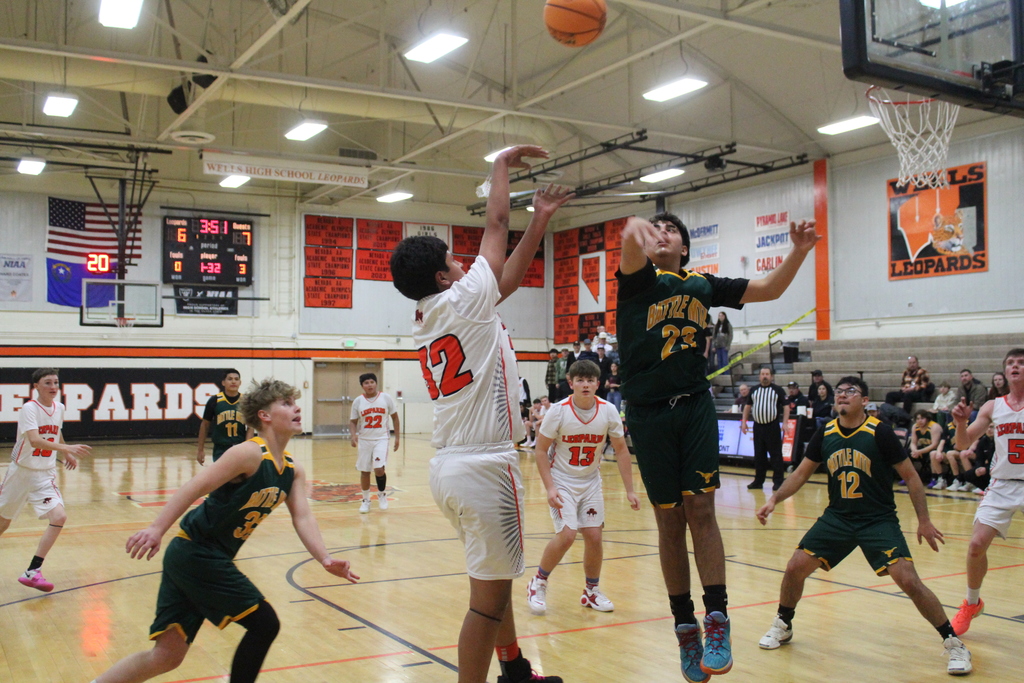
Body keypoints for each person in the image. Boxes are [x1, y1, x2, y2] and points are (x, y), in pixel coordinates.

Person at [389, 143, 572, 683]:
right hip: (485, 466)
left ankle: (514, 670)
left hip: (449, 465)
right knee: (485, 604)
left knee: (495, 579)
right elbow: (495, 226)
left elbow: (507, 279)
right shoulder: (463, 300)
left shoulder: (439, 310)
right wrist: (499, 164)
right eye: (453, 260)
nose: (462, 262)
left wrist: (539, 219)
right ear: (446, 278)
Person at [616, 211, 818, 681]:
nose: (660, 234)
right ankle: (684, 626)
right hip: (648, 414)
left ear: (685, 248)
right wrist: (631, 230)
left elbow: (768, 289)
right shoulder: (637, 280)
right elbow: (629, 248)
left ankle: (717, 619)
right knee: (669, 520)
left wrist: (800, 252)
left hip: (693, 406)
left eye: (671, 231)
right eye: (655, 230)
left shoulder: (704, 286)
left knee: (701, 511)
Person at [90, 378, 359, 683]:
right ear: (264, 416)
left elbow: (303, 518)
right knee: (265, 623)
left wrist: (324, 558)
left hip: (197, 557)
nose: (296, 407)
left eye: (295, 402)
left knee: (166, 656)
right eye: (286, 403)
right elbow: (195, 487)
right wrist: (156, 528)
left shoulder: (293, 470)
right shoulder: (248, 453)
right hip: (197, 552)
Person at [754, 376, 971, 676]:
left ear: (864, 401)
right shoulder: (825, 432)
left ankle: (953, 642)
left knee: (909, 581)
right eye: (839, 392)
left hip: (877, 519)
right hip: (838, 518)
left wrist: (924, 520)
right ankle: (783, 623)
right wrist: (774, 499)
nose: (842, 396)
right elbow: (801, 473)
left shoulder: (879, 432)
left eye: (850, 392)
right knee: (794, 568)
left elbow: (911, 477)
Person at [525, 360, 640, 616]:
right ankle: (538, 582)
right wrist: (549, 487)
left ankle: (591, 591)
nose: (585, 384)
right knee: (567, 534)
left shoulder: (609, 410)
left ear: (598, 384)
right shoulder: (558, 411)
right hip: (562, 480)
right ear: (571, 383)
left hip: (590, 481)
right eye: (580, 380)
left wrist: (630, 490)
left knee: (595, 536)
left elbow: (621, 451)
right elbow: (541, 450)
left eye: (590, 380)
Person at [949, 348, 1024, 637]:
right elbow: (962, 443)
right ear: (1005, 372)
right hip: (1003, 484)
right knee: (976, 546)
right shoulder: (993, 406)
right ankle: (971, 602)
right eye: (1010, 363)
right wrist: (960, 423)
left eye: (1020, 363)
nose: (1015, 367)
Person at [0, 368, 91, 592]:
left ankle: (33, 571)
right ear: (37, 386)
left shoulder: (59, 407)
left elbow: (55, 431)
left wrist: (65, 452)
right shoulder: (29, 408)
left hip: (45, 474)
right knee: (3, 522)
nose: (53, 387)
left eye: (56, 382)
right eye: (48, 382)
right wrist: (66, 447)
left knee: (59, 516)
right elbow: (35, 440)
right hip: (20, 472)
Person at [349, 372, 400, 514]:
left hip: (381, 439)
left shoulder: (386, 398)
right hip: (364, 440)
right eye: (366, 383)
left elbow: (395, 418)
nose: (369, 385)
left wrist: (397, 437)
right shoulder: (358, 401)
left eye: (372, 382)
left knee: (379, 469)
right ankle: (366, 500)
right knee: (365, 471)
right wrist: (353, 436)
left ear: (376, 383)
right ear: (362, 386)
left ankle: (382, 494)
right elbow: (353, 421)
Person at [742, 366, 790, 491]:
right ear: (759, 376)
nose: (764, 376)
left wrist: (785, 423)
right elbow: (747, 406)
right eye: (762, 374)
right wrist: (744, 422)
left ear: (771, 376)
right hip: (758, 426)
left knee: (776, 456)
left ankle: (778, 482)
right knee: (759, 456)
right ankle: (758, 481)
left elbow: (786, 407)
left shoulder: (778, 390)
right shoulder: (754, 390)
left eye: (767, 374)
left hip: (772, 426)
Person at [196, 369, 252, 464]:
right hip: (221, 448)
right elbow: (205, 425)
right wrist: (200, 450)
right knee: (223, 477)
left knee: (240, 477)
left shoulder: (246, 401)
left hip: (240, 446)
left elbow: (250, 427)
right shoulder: (215, 400)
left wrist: (248, 447)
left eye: (236, 379)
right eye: (230, 379)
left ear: (240, 382)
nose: (233, 381)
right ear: (223, 382)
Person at [957, 423, 994, 495]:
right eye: (988, 427)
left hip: (994, 468)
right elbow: (979, 459)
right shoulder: (983, 441)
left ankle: (991, 488)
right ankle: (984, 488)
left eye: (992, 427)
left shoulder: (999, 442)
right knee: (968, 474)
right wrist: (979, 468)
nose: (989, 430)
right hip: (985, 467)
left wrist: (986, 469)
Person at [910, 410, 943, 488]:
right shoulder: (915, 426)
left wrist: (919, 451)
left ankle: (934, 478)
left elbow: (934, 445)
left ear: (927, 418)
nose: (920, 421)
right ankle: (908, 476)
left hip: (937, 449)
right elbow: (913, 443)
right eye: (917, 419)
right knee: (907, 453)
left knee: (932, 454)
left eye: (922, 418)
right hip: (924, 448)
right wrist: (914, 450)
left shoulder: (934, 426)